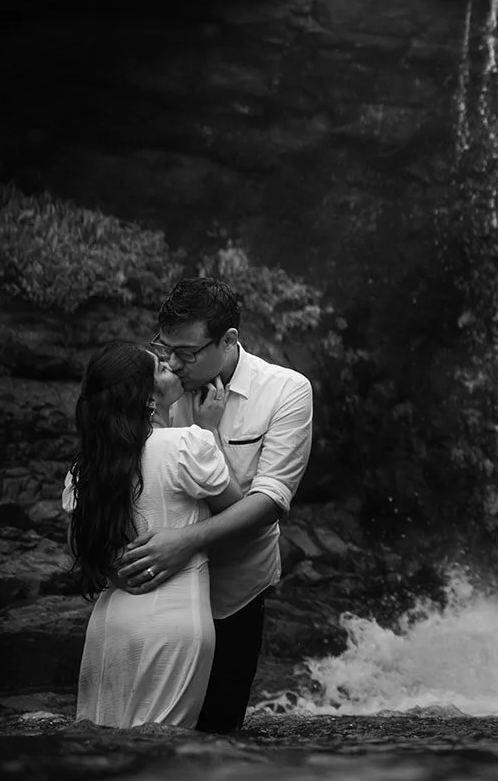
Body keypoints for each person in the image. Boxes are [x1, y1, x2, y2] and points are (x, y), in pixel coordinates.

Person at [115, 276, 316, 733]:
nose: (171, 362)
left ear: (228, 341)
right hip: (156, 587)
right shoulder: (157, 383)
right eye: (164, 348)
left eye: (186, 352)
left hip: (235, 590)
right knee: (142, 729)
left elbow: (270, 501)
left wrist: (184, 542)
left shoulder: (286, 391)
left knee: (219, 731)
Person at [64, 341, 243, 728]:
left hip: (110, 625)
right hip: (173, 624)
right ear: (147, 398)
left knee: (102, 746)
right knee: (161, 751)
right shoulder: (187, 444)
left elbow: (79, 540)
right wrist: (209, 432)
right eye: (161, 369)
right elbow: (239, 512)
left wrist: (114, 571)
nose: (172, 368)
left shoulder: (89, 464)